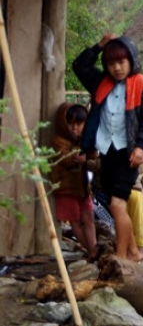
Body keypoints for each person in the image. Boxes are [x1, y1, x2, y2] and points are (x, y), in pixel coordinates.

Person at [73, 34, 143, 261]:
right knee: (114, 205)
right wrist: (99, 45)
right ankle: (133, 251)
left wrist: (141, 147)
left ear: (131, 60)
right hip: (106, 151)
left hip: (128, 153)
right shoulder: (101, 82)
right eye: (111, 63)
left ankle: (121, 256)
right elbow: (79, 66)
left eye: (121, 62)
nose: (117, 68)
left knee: (117, 203)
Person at [50, 103, 99, 261]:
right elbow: (68, 160)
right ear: (64, 123)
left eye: (79, 124)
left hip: (83, 188)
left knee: (89, 217)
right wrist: (81, 155)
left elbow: (93, 155)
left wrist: (88, 149)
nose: (74, 128)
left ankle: (94, 248)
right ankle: (91, 251)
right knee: (75, 222)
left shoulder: (84, 140)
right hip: (66, 189)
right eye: (70, 124)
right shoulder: (58, 141)